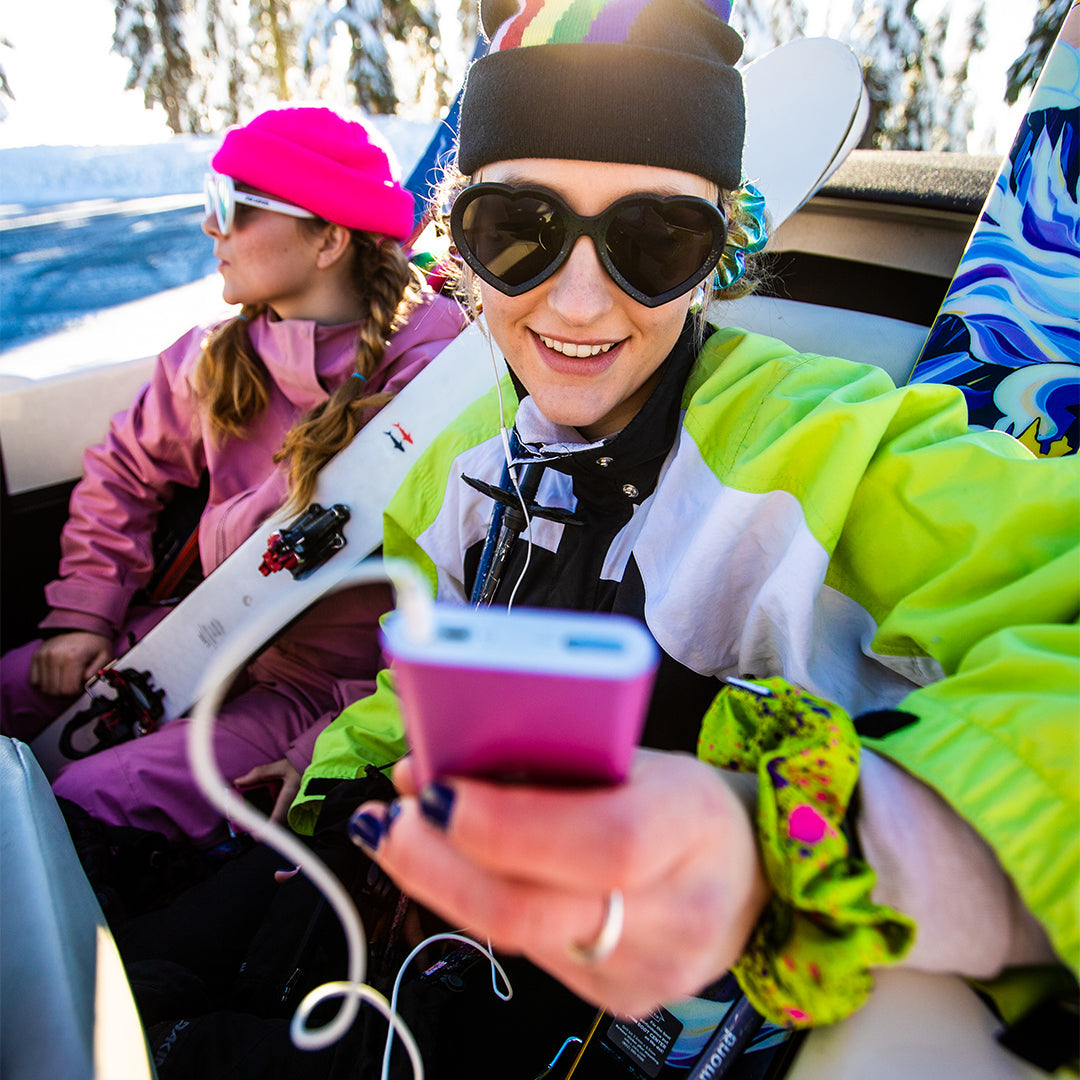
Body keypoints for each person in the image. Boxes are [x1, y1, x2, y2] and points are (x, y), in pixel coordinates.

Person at [291, 0, 1078, 1056]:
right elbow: (419, 680)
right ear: (460, 247)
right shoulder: (448, 469)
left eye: (655, 238)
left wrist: (802, 844)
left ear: (723, 249)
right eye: (516, 231)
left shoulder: (823, 450)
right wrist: (332, 784)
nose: (576, 304)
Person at [0, 105, 468, 847]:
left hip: (323, 690)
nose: (210, 229)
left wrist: (331, 745)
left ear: (329, 239)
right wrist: (84, 616)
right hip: (189, 637)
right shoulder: (217, 356)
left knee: (85, 800)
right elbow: (124, 472)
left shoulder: (438, 374)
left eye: (231, 208)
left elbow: (458, 582)